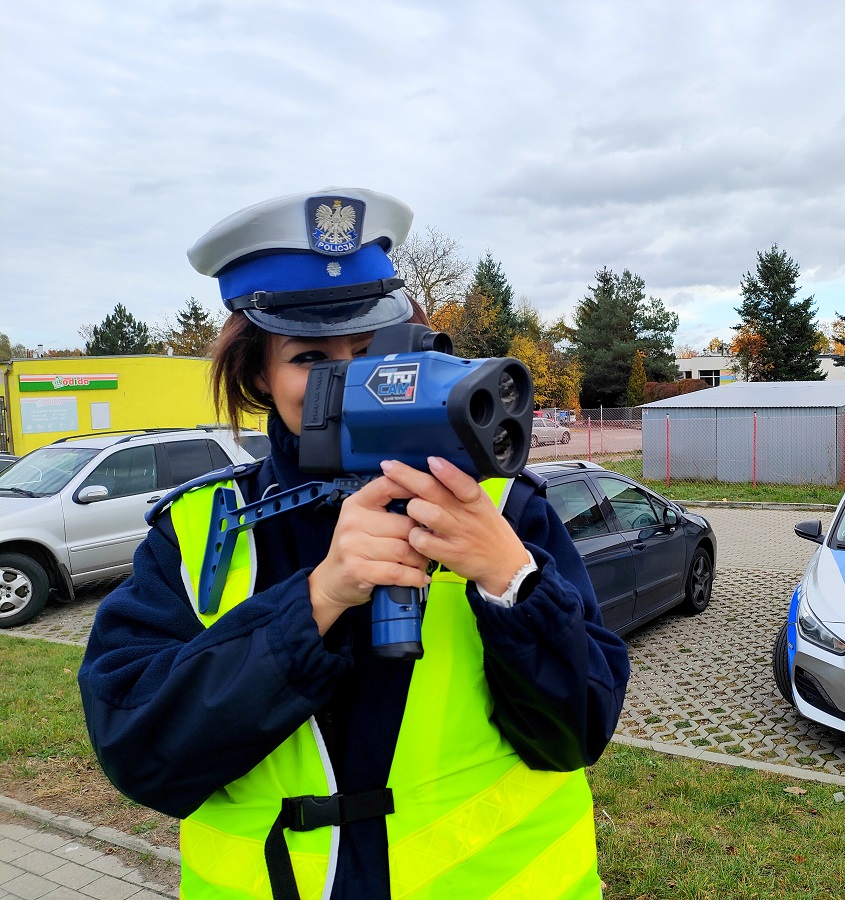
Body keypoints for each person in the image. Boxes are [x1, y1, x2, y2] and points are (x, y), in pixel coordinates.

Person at [78, 187, 630, 899]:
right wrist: (316, 601)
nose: (351, 380)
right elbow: (141, 752)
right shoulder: (198, 531)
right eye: (311, 358)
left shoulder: (503, 508)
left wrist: (510, 579)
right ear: (257, 376)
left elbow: (577, 732)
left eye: (372, 352)